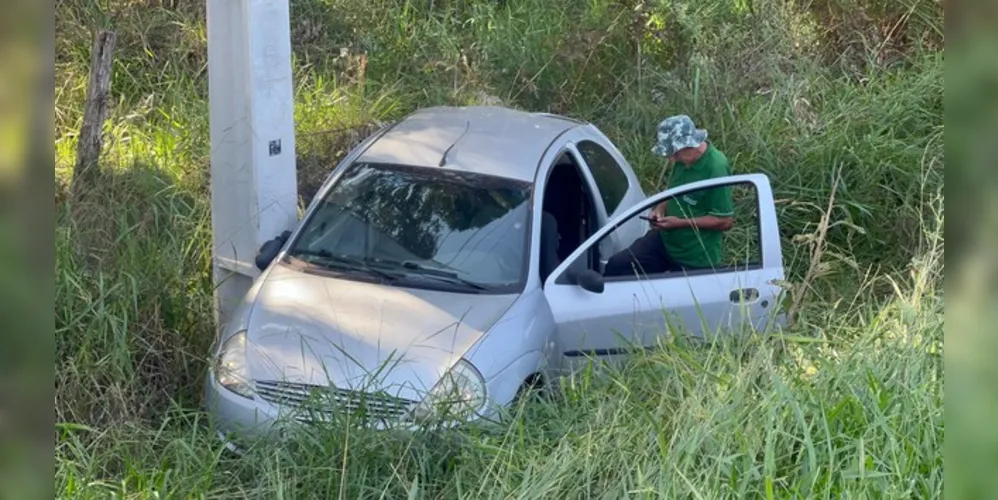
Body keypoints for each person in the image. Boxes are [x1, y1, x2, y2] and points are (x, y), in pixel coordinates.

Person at [604, 115, 734, 277]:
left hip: (695, 257)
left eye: (675, 154)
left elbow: (725, 221)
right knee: (618, 266)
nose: (672, 159)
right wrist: (660, 208)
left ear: (691, 144)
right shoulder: (683, 159)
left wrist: (680, 223)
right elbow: (673, 189)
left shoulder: (716, 168)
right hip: (666, 241)